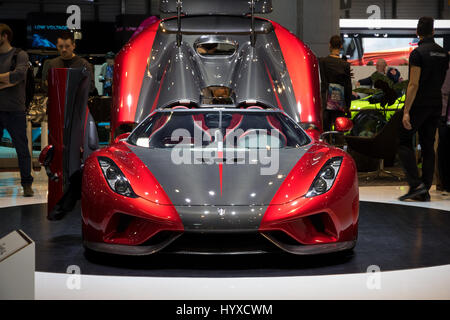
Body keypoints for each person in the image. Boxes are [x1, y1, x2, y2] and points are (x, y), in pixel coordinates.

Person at [398, 17, 449, 201]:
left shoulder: (417, 53)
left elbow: (413, 84)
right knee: (428, 145)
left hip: (419, 104)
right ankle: (425, 187)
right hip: (436, 103)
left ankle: (416, 184)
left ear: (418, 32)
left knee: (402, 139)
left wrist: (406, 111)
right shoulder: (444, 54)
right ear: (433, 32)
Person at [0, 24, 34, 197]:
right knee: (22, 148)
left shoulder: (19, 55)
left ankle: (27, 183)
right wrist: (8, 80)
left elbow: (19, 75)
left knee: (22, 149)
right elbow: (13, 78)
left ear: (4, 36)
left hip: (15, 109)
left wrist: (6, 80)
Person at [319, 35, 352, 131]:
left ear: (329, 45)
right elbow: (348, 86)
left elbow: (322, 82)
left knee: (326, 130)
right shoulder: (345, 64)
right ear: (341, 46)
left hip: (326, 102)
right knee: (339, 129)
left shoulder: (323, 62)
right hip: (340, 102)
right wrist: (348, 105)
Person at [438, 60, 450, 192]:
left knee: (444, 150)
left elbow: (444, 91)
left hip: (444, 114)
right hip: (444, 114)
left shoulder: (446, 66)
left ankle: (445, 184)